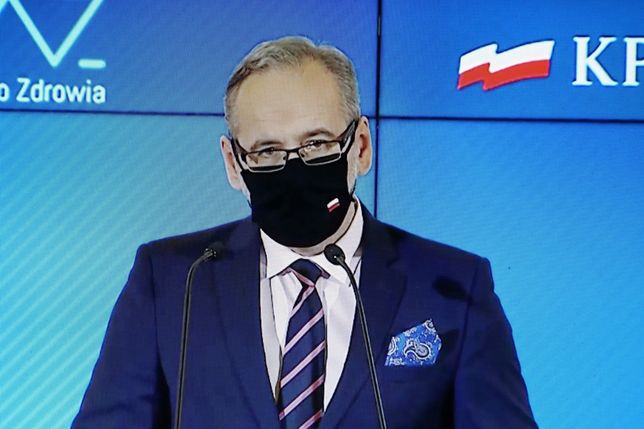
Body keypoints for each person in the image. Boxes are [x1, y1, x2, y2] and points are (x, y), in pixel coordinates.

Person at [72, 36, 537, 428]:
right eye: (267, 151)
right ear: (233, 163)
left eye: (317, 144)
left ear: (361, 146)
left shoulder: (453, 286)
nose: (293, 168)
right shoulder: (174, 280)